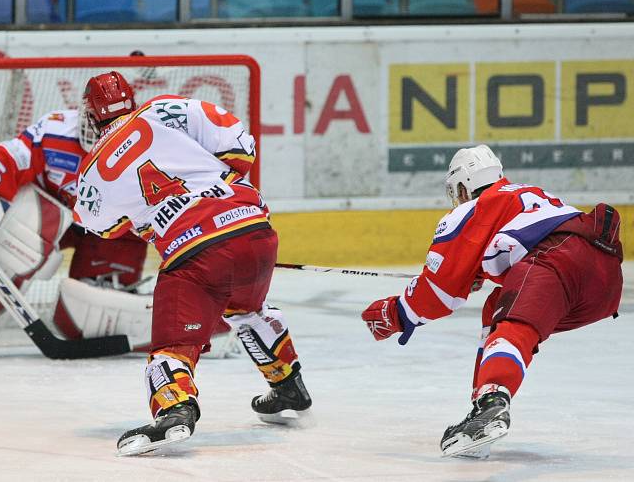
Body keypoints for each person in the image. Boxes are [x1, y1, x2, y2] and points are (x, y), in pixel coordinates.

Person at [73, 71, 312, 456]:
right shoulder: (166, 108)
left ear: (91, 115)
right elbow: (241, 147)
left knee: (173, 345)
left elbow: (100, 227)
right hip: (255, 229)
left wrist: (152, 215)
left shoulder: (90, 170)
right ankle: (288, 387)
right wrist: (214, 191)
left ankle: (174, 410)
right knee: (246, 310)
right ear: (130, 100)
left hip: (195, 254)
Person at [361, 144, 623, 458]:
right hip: (605, 281)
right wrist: (476, 272)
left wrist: (395, 312)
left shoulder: (475, 207)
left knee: (515, 329)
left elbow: (439, 292)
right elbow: (520, 244)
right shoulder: (526, 194)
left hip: (557, 262)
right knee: (498, 307)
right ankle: (483, 407)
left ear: (462, 186)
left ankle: (492, 402)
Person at [0, 105, 149, 357]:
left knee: (85, 314)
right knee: (25, 225)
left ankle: (173, 328)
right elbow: (6, 158)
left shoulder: (149, 147)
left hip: (111, 236)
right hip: (49, 216)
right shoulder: (56, 132)